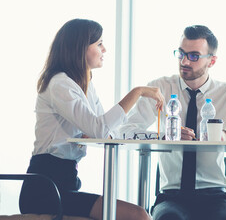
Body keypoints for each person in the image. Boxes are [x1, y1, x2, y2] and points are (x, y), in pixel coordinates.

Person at [20, 19, 163, 220]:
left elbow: (106, 130)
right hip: (44, 188)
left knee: (137, 213)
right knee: (138, 215)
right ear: (80, 48)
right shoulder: (59, 84)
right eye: (99, 43)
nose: (104, 49)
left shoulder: (83, 84)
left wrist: (160, 134)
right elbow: (100, 129)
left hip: (66, 181)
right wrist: (137, 92)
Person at [118, 25, 226, 220]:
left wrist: (225, 136)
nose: (184, 61)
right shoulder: (159, 88)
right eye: (181, 53)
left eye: (194, 56)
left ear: (211, 61)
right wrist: (165, 136)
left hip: (216, 194)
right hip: (171, 195)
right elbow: (124, 130)